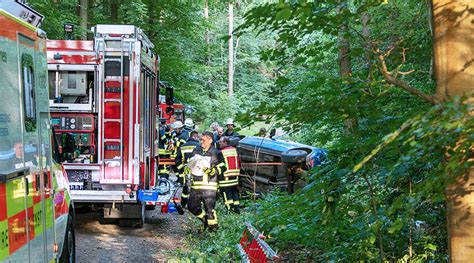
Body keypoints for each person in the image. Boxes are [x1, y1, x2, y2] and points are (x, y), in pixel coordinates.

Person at [187, 131, 226, 231]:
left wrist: (213, 170)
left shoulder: (216, 152)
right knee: (192, 207)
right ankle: (205, 220)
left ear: (210, 140)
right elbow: (189, 162)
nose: (201, 142)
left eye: (203, 140)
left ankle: (213, 230)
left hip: (210, 186)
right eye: (201, 140)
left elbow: (223, 166)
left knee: (209, 210)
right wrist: (187, 168)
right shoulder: (196, 150)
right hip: (196, 186)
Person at [175, 130, 201, 207]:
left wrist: (181, 169)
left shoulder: (183, 147)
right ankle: (196, 204)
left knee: (185, 188)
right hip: (196, 170)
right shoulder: (199, 146)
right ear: (195, 137)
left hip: (186, 170)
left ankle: (183, 203)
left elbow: (177, 160)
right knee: (196, 188)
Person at [218, 136, 241, 214]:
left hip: (225, 178)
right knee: (235, 193)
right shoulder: (235, 150)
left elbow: (220, 165)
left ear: (225, 142)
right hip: (235, 178)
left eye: (220, 142)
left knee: (226, 195)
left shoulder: (221, 152)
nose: (219, 143)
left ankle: (230, 210)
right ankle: (237, 209)